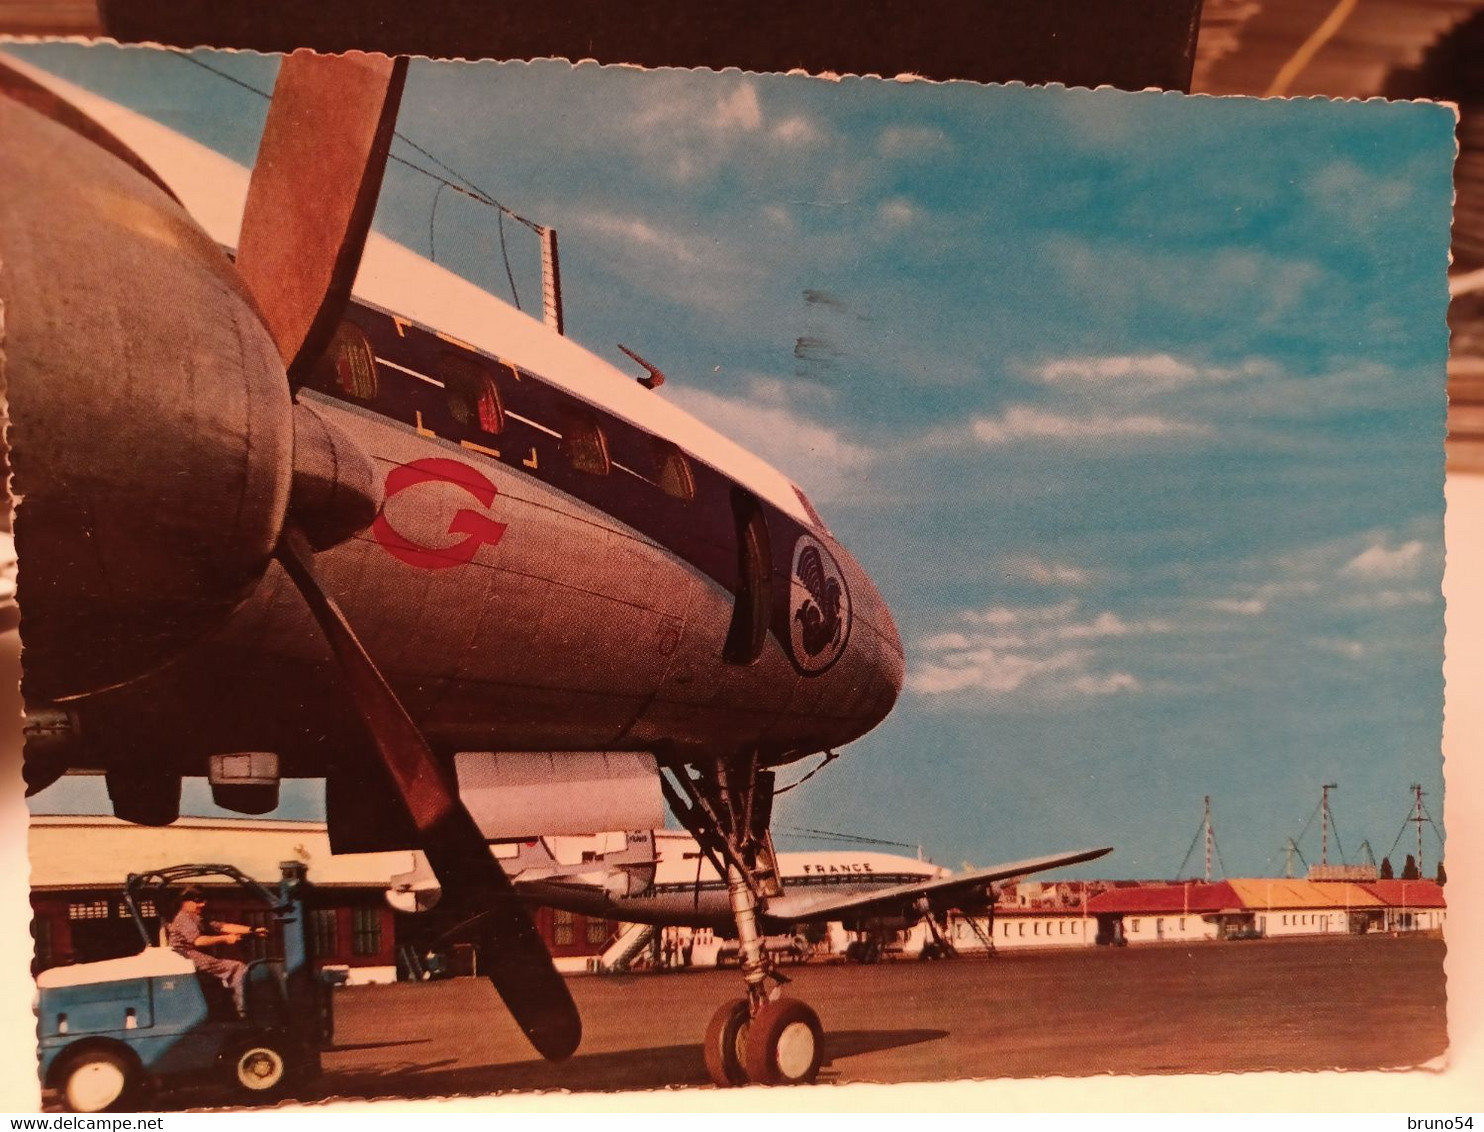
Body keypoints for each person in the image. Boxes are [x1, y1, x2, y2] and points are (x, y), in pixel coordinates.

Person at [166, 887, 263, 1017]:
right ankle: (243, 1011)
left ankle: (230, 1006)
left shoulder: (196, 917)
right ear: (185, 902)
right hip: (185, 955)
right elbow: (199, 941)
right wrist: (226, 938)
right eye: (198, 901)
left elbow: (223, 926)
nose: (202, 904)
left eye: (204, 901)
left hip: (189, 955)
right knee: (237, 967)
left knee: (225, 968)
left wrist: (253, 929)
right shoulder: (184, 918)